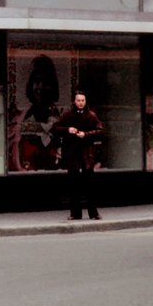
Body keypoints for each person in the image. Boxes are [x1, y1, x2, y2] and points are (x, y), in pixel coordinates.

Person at [52, 89, 104, 221]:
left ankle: (93, 213)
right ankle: (75, 213)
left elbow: (100, 131)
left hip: (87, 153)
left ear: (85, 102)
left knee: (89, 185)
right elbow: (55, 128)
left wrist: (86, 134)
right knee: (73, 185)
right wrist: (68, 130)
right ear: (74, 102)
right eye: (78, 101)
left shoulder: (91, 115)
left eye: (83, 100)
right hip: (72, 153)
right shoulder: (68, 115)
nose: (80, 103)